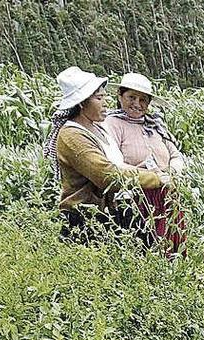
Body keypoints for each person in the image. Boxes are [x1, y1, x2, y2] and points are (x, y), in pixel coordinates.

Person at [43, 66, 170, 243]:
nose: (106, 103)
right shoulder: (72, 135)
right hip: (85, 219)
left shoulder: (97, 128)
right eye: (99, 98)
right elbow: (107, 175)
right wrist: (155, 180)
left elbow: (118, 165)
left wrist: (153, 173)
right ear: (82, 103)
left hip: (108, 213)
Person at [105, 72, 187, 256]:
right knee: (146, 249)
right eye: (131, 97)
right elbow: (114, 163)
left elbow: (175, 154)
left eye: (143, 99)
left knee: (172, 248)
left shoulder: (155, 125)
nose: (137, 104)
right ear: (120, 96)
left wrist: (171, 173)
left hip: (167, 195)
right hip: (135, 199)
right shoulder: (112, 124)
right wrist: (154, 177)